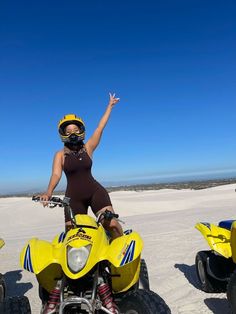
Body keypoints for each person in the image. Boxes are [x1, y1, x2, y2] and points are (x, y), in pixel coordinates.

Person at [40, 93, 123, 239]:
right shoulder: (59, 155)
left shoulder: (88, 148)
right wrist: (48, 192)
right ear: (63, 134)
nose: (73, 134)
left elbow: (100, 128)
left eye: (76, 130)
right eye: (68, 131)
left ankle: (122, 253)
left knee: (112, 225)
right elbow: (56, 174)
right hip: (73, 199)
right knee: (72, 235)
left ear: (81, 131)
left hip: (96, 192)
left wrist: (109, 106)